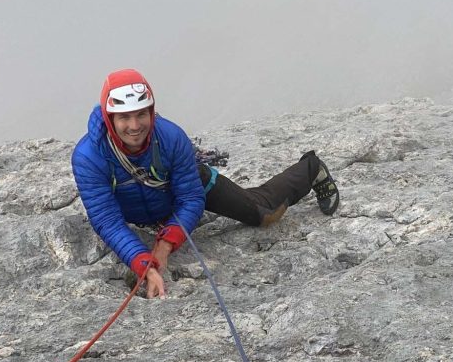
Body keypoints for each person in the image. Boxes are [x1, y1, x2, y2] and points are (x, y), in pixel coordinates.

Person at [71, 69, 339, 299]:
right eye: (124, 117)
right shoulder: (89, 157)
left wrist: (165, 245)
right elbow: (107, 220)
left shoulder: (171, 138)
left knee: (264, 213)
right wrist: (142, 262)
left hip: (183, 186)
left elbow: (190, 198)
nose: (134, 126)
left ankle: (311, 169)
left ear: (151, 112)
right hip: (144, 206)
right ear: (110, 118)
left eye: (141, 114)